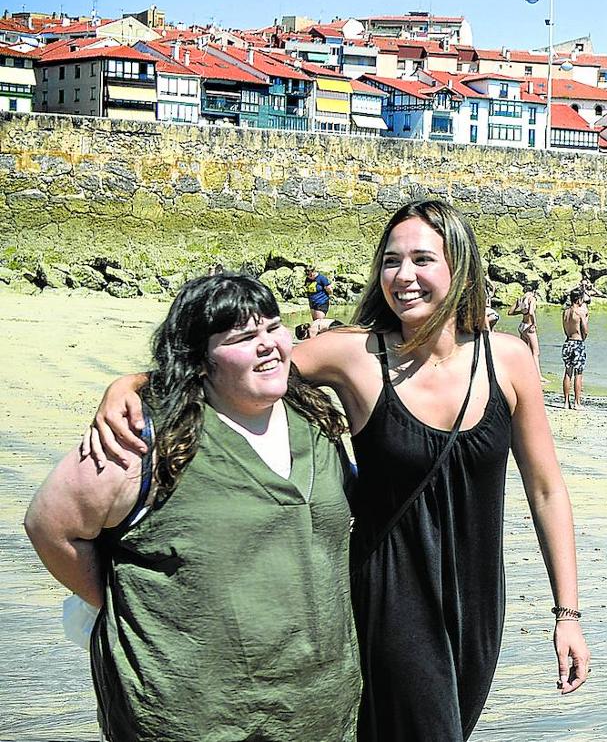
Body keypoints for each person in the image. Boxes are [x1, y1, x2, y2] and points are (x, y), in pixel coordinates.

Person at [87, 201, 590, 742]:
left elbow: (545, 489)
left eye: (423, 259)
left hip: (478, 598)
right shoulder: (355, 355)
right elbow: (249, 368)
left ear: (459, 268)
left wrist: (568, 613)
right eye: (391, 261)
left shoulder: (509, 359)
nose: (404, 276)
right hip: (390, 590)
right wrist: (134, 384)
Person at [29, 273, 361, 741]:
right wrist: (126, 609)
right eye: (244, 337)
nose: (267, 344)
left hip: (316, 710)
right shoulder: (143, 437)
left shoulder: (316, 420)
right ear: (200, 360)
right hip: (187, 714)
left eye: (272, 326)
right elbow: (51, 527)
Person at [561, 288, 590, 410]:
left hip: (567, 343)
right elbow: (586, 331)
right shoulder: (579, 313)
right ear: (578, 299)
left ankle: (566, 402)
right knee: (578, 373)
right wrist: (583, 337)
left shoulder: (565, 312)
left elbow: (565, 330)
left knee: (568, 372)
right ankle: (577, 402)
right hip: (577, 343)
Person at [509, 286, 541, 372]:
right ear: (533, 291)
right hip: (529, 326)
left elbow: (510, 312)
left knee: (524, 351)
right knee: (535, 352)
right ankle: (538, 376)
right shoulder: (532, 299)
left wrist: (521, 312)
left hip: (522, 326)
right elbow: (531, 312)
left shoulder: (520, 299)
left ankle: (523, 371)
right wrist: (534, 323)